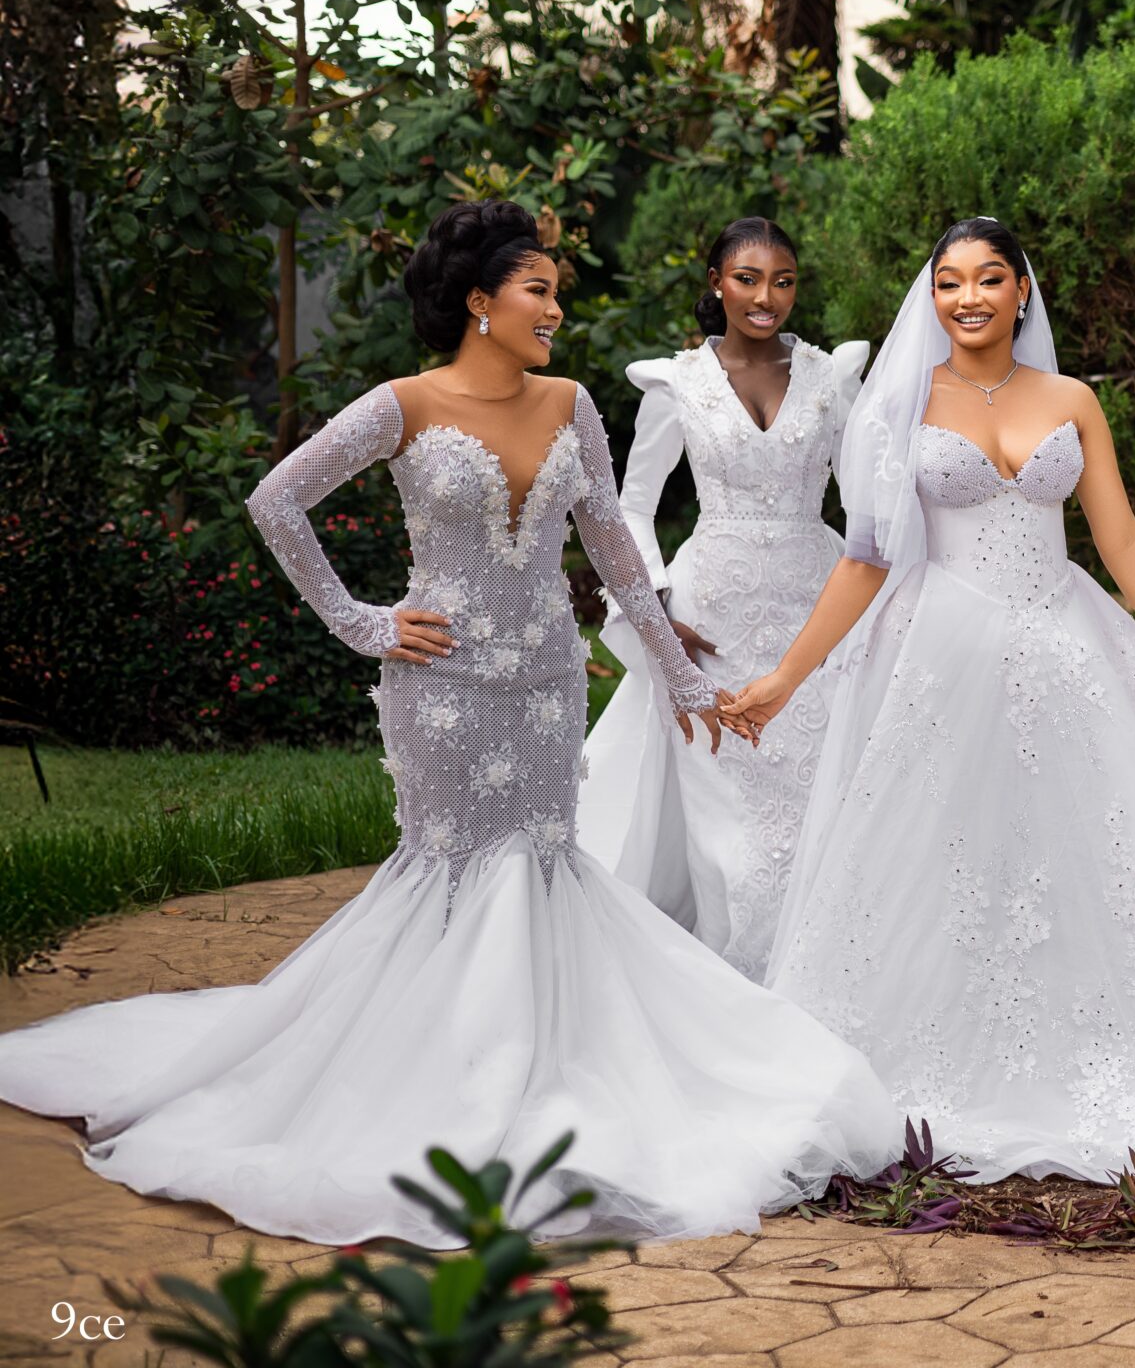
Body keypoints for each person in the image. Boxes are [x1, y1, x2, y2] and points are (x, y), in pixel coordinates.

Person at [0, 201, 899, 1245]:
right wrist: (360, 620)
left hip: (549, 679)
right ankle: (436, 1076)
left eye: (557, 294)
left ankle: (548, 1065)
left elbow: (615, 550)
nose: (556, 310)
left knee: (545, 864)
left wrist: (680, 678)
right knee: (451, 870)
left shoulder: (571, 404)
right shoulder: (404, 403)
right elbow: (276, 500)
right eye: (538, 291)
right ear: (480, 302)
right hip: (442, 684)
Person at [718, 218, 1135, 1181]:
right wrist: (783, 679)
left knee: (1103, 860)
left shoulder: (1071, 400)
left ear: (1022, 290)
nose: (966, 298)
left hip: (1068, 645)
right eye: (948, 282)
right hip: (943, 657)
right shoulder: (898, 405)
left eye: (987, 279)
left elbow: (1123, 538)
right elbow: (864, 559)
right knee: (944, 866)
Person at [580, 216, 871, 977]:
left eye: (783, 281)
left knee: (821, 802)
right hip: (710, 620)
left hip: (818, 613)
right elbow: (630, 509)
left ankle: (820, 978)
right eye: (747, 279)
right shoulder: (676, 383)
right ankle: (734, 983)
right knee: (730, 831)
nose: (766, 296)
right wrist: (654, 611)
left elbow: (866, 507)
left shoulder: (833, 379)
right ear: (716, 283)